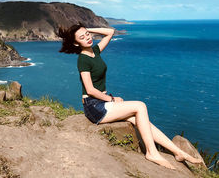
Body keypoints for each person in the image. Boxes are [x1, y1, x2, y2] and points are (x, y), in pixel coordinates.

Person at [58, 23, 203, 169]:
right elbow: (90, 90)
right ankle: (152, 152)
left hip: (102, 103)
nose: (88, 38)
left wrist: (85, 29)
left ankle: (177, 152)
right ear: (76, 43)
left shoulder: (95, 51)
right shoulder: (83, 59)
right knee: (140, 106)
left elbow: (110, 32)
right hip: (94, 106)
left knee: (139, 119)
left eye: (87, 35)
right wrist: (112, 99)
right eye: (82, 38)